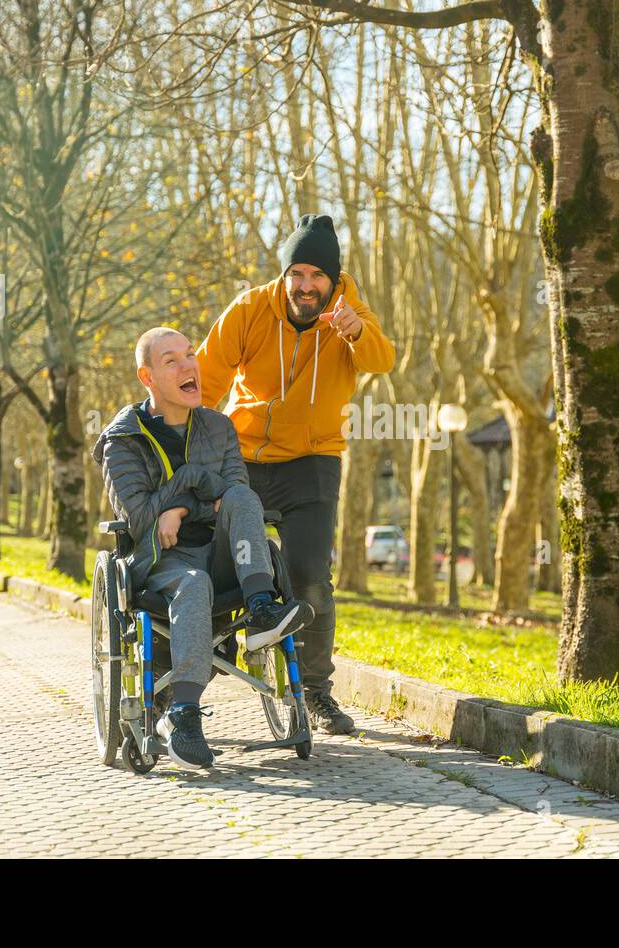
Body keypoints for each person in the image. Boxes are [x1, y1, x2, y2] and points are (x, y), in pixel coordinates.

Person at [198, 214, 396, 734]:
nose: (306, 286)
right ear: (284, 275)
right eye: (297, 274)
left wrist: (357, 332)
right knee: (219, 556)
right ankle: (217, 640)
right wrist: (187, 442)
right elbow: (207, 377)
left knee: (311, 578)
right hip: (240, 455)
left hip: (312, 460)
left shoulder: (348, 311)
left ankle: (315, 692)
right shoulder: (250, 308)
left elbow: (383, 358)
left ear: (333, 280)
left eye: (317, 277)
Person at [93, 327, 314, 770]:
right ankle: (184, 717)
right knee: (193, 584)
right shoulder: (121, 442)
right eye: (171, 359)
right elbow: (140, 521)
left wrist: (175, 507)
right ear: (147, 376)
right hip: (161, 564)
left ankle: (262, 608)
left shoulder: (219, 427)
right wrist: (191, 489)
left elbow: (233, 491)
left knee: (243, 500)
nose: (188, 365)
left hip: (221, 555)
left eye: (190, 355)